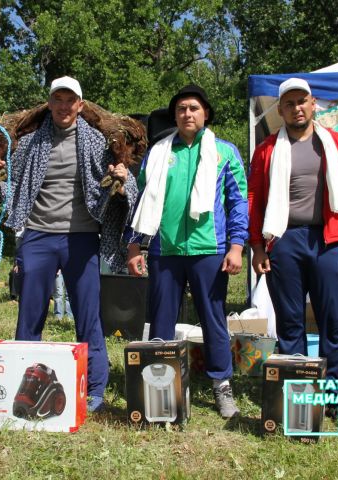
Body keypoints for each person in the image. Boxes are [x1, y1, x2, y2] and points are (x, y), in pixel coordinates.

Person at [0, 76, 138, 412]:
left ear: (80, 105)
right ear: (50, 103)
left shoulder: (98, 140)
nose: (63, 106)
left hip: (82, 237)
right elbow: (5, 180)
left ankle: (94, 389)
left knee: (88, 316)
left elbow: (123, 178)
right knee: (30, 313)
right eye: (57, 100)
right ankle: (23, 383)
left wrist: (122, 179)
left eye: (70, 100)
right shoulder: (30, 142)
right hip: (37, 236)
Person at [248, 78, 338, 412]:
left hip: (326, 240)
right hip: (284, 241)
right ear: (281, 110)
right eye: (289, 104)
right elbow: (255, 199)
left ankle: (335, 399)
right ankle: (300, 397)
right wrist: (257, 246)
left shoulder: (337, 143)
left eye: (302, 101)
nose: (296, 108)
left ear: (313, 103)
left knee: (333, 323)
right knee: (290, 324)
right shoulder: (268, 149)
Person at [126, 85, 248, 419]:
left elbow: (238, 203)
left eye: (194, 108)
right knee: (161, 320)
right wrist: (134, 244)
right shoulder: (158, 152)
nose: (187, 114)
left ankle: (221, 386)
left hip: (210, 249)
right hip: (165, 250)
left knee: (213, 320)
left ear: (206, 113)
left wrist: (237, 246)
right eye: (181, 108)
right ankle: (160, 387)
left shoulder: (224, 152)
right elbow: (141, 201)